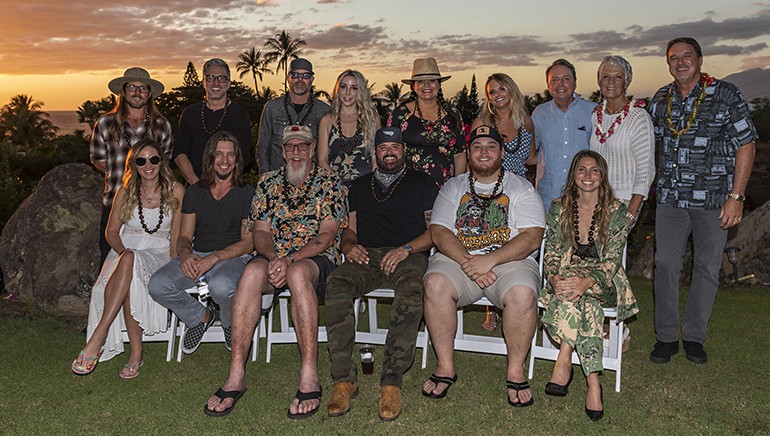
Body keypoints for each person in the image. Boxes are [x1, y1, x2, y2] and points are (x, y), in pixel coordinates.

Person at [204, 125, 346, 419]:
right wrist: (273, 257)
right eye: (291, 146)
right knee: (251, 274)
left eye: (303, 146)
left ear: (310, 150)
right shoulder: (268, 183)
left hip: (314, 259)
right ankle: (236, 374)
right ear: (282, 152)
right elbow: (260, 233)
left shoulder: (330, 182)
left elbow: (327, 235)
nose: (296, 152)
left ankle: (309, 374)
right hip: (274, 257)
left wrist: (291, 259)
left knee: (296, 275)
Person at [648, 37, 757, 364]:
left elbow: (747, 145)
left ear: (699, 59)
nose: (680, 62)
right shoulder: (661, 99)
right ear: (668, 64)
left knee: (707, 268)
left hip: (714, 201)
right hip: (670, 200)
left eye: (686, 56)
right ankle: (666, 338)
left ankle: (694, 337)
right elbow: (645, 142)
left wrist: (736, 197)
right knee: (665, 264)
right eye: (673, 58)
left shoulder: (725, 94)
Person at [421, 125, 545, 407]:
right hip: (459, 259)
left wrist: (489, 260)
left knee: (523, 294)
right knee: (435, 283)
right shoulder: (453, 186)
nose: (484, 152)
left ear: (501, 152)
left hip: (508, 262)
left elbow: (532, 236)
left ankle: (515, 370)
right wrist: (468, 261)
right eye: (477, 147)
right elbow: (439, 231)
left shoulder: (520, 187)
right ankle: (445, 366)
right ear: (469, 153)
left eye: (491, 146)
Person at [324, 127, 438, 421]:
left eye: (395, 147)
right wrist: (349, 246)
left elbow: (433, 232)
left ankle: (391, 380)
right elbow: (350, 229)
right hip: (368, 255)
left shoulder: (423, 183)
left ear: (404, 151)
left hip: (408, 254)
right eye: (383, 147)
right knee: (336, 282)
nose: (389, 152)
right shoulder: (360, 187)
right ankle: (344, 379)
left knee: (413, 287)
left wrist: (406, 249)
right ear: (375, 152)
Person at [539, 150, 639, 421]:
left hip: (603, 279)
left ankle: (564, 357)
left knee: (580, 294)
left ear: (602, 176)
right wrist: (553, 278)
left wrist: (586, 281)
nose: (587, 175)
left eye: (594, 170)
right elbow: (552, 252)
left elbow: (612, 261)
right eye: (581, 169)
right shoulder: (559, 207)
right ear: (573, 175)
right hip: (569, 276)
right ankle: (593, 383)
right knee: (587, 306)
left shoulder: (617, 211)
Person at [72, 139, 185, 378]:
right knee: (129, 268)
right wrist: (124, 253)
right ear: (133, 164)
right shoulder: (125, 191)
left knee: (130, 265)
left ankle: (99, 337)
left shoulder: (176, 190)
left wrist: (175, 266)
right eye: (141, 160)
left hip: (159, 253)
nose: (148, 165)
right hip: (124, 249)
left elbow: (176, 237)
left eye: (153, 159)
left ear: (161, 161)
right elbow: (111, 232)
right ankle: (135, 353)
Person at [149, 131, 255, 355]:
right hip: (198, 253)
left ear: (237, 159)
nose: (224, 161)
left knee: (221, 286)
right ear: (210, 158)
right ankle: (201, 317)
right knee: (158, 285)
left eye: (230, 155)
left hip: (233, 256)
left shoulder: (247, 194)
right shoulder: (195, 192)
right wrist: (186, 255)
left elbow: (248, 243)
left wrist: (214, 258)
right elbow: (185, 236)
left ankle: (228, 323)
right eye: (219, 154)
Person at [90, 67, 173, 264]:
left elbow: (165, 162)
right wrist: (128, 177)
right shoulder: (104, 124)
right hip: (114, 202)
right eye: (132, 87)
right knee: (110, 262)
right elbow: (98, 159)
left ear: (150, 93)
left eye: (143, 88)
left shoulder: (162, 126)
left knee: (150, 263)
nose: (137, 92)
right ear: (123, 91)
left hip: (152, 208)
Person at [589, 55, 654, 225]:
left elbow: (646, 168)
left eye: (617, 77)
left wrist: (632, 211)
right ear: (599, 81)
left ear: (627, 82)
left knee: (609, 251)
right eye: (605, 77)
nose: (611, 81)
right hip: (595, 199)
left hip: (624, 201)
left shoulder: (638, 117)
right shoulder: (596, 116)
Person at [387, 57, 467, 187]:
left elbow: (460, 154)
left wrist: (457, 186)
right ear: (413, 86)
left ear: (439, 84)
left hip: (445, 189)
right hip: (408, 186)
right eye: (421, 81)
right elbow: (390, 151)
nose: (427, 86)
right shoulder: (400, 114)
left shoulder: (453, 114)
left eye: (432, 81)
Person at [174, 58, 252, 184]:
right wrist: (196, 185)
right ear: (204, 82)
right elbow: (180, 153)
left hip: (228, 188)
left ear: (228, 84)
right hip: (195, 187)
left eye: (221, 78)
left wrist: (221, 187)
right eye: (210, 78)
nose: (216, 83)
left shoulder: (239, 114)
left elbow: (243, 156)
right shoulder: (190, 113)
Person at [532, 59, 596, 209]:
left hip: (585, 198)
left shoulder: (593, 112)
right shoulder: (539, 114)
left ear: (575, 83)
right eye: (554, 80)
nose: (560, 84)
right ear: (548, 86)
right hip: (548, 199)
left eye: (566, 79)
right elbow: (530, 153)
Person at [256, 58, 330, 173]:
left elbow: (327, 153)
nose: (300, 79)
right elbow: (263, 148)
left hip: (312, 182)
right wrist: (265, 178)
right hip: (278, 181)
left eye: (305, 75)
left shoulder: (324, 111)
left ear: (312, 79)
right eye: (295, 75)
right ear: (287, 78)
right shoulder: (272, 108)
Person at [317, 69, 380, 186]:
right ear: (337, 89)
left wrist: (370, 186)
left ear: (360, 91)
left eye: (354, 88)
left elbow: (376, 159)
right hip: (334, 187)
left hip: (366, 187)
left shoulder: (372, 119)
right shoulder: (327, 121)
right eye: (343, 87)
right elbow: (322, 161)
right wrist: (339, 187)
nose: (347, 92)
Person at [471, 73, 536, 178]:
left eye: (502, 89)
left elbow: (531, 158)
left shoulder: (525, 121)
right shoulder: (482, 124)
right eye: (492, 92)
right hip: (488, 188)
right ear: (489, 98)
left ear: (511, 90)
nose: (497, 95)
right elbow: (471, 161)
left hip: (519, 188)